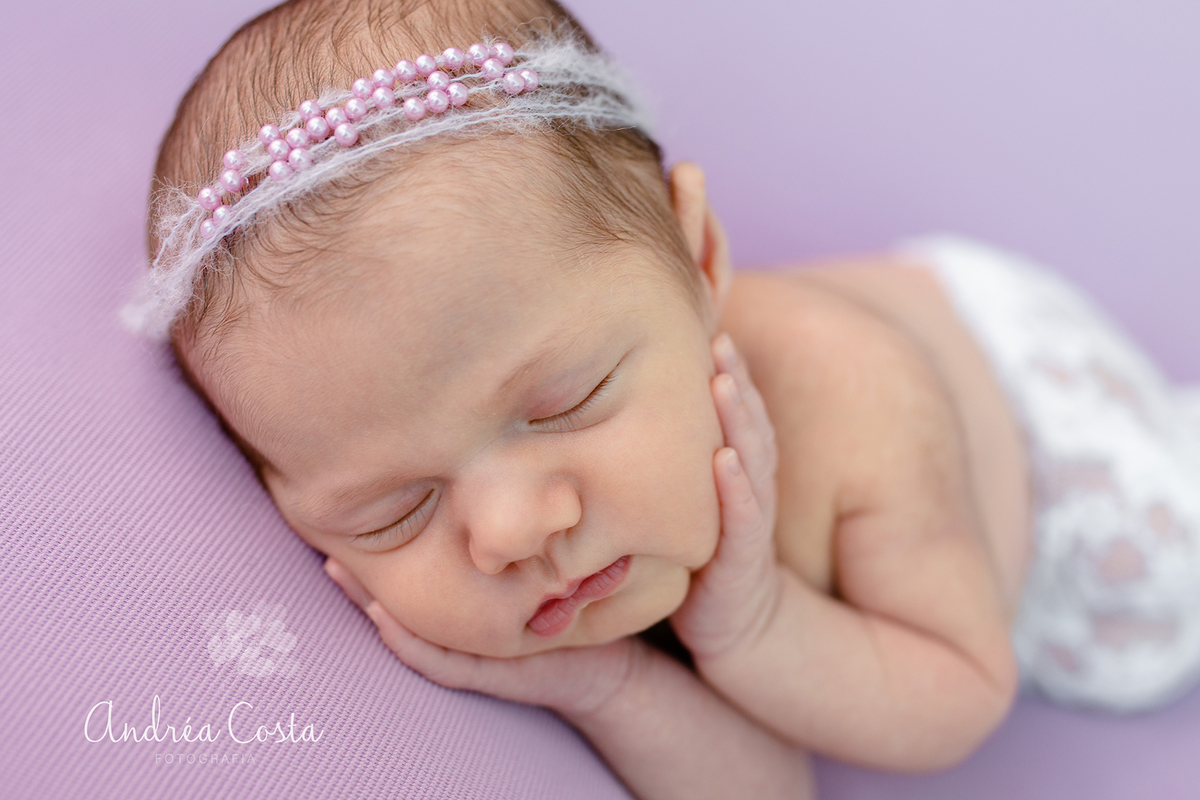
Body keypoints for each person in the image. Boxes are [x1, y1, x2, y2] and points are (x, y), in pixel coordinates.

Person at [126, 0, 1200, 796]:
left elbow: (964, 686)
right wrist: (607, 685)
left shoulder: (857, 393)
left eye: (566, 398)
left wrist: (761, 621)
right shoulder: (571, 527)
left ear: (702, 256)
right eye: (390, 507)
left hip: (1048, 439)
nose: (508, 530)